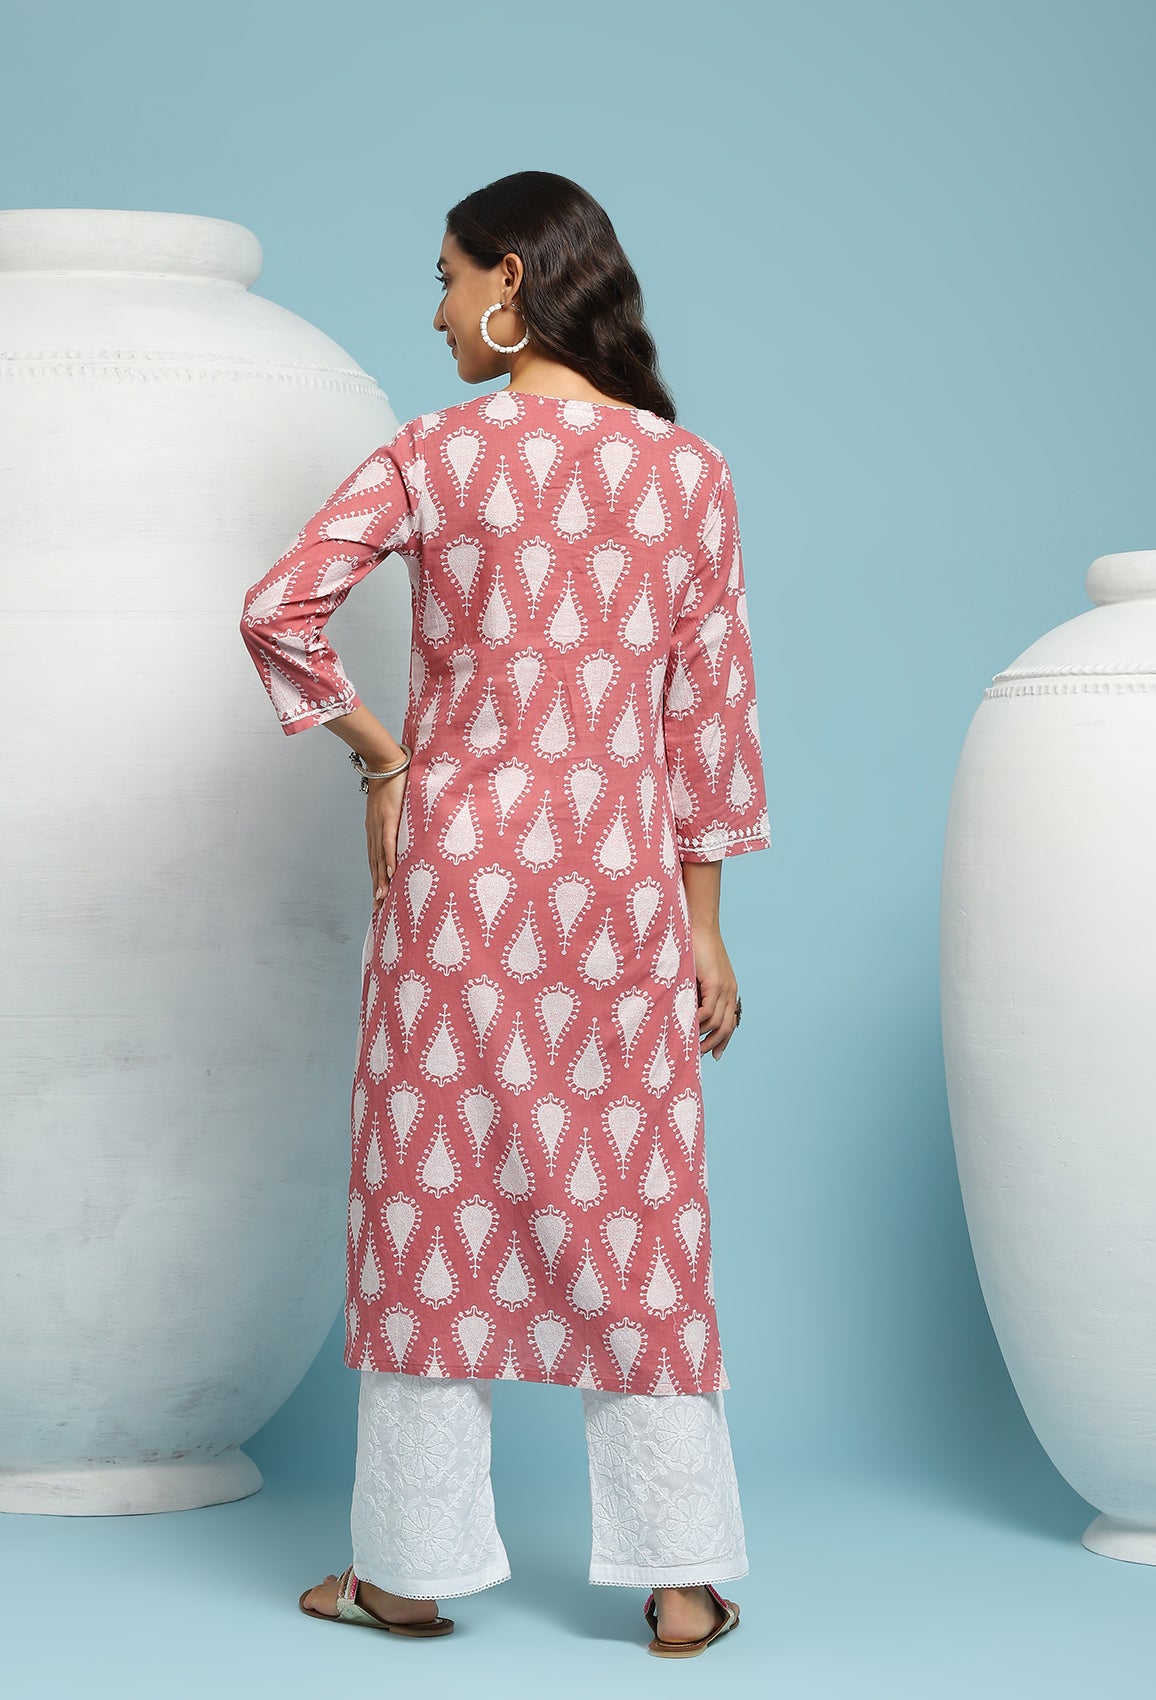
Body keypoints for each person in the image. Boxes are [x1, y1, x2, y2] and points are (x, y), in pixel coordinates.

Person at [238, 170, 771, 1659]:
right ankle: (681, 1582)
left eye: (447, 277)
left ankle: (405, 1574)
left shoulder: (434, 455)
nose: (435, 311)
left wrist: (384, 758)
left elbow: (278, 609)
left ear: (511, 282)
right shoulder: (688, 473)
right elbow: (708, 719)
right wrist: (705, 925)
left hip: (459, 884)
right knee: (641, 1214)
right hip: (618, 889)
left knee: (429, 1210)